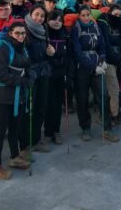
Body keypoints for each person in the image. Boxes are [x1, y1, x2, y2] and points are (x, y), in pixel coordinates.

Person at [71, 5, 119, 142]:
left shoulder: (95, 27)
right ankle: (85, 128)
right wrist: (93, 66)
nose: (86, 18)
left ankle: (107, 129)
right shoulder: (76, 29)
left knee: (103, 96)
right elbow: (77, 52)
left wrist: (102, 59)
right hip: (83, 68)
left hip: (97, 64)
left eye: (88, 15)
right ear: (79, 16)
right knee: (83, 98)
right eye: (83, 15)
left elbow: (102, 44)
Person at [0, 22, 32, 180]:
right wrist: (23, 81)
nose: (21, 36)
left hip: (18, 95)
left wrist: (31, 75)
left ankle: (14, 157)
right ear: (10, 34)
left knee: (15, 128)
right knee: (0, 131)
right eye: (18, 33)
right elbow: (1, 74)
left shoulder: (23, 47)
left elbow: (27, 66)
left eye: (23, 33)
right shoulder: (3, 48)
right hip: (3, 96)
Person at [24, 4, 55, 153]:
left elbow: (46, 48)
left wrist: (49, 51)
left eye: (42, 16)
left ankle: (36, 138)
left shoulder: (44, 30)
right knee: (30, 107)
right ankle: (27, 140)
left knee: (41, 106)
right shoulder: (24, 29)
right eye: (36, 14)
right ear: (31, 14)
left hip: (44, 71)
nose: (39, 18)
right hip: (30, 72)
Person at [97, 4, 121, 125]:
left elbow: (120, 41)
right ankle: (112, 116)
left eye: (120, 15)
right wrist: (119, 58)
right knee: (114, 89)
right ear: (110, 12)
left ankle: (113, 114)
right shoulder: (103, 24)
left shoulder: (119, 25)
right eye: (115, 14)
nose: (117, 17)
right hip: (109, 60)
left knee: (115, 89)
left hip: (117, 59)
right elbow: (106, 44)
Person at [44, 10, 72, 145]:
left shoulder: (65, 35)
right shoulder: (44, 35)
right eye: (54, 19)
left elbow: (69, 57)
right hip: (48, 74)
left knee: (58, 104)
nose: (56, 22)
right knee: (49, 104)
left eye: (60, 20)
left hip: (61, 74)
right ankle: (48, 132)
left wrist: (69, 75)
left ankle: (56, 131)